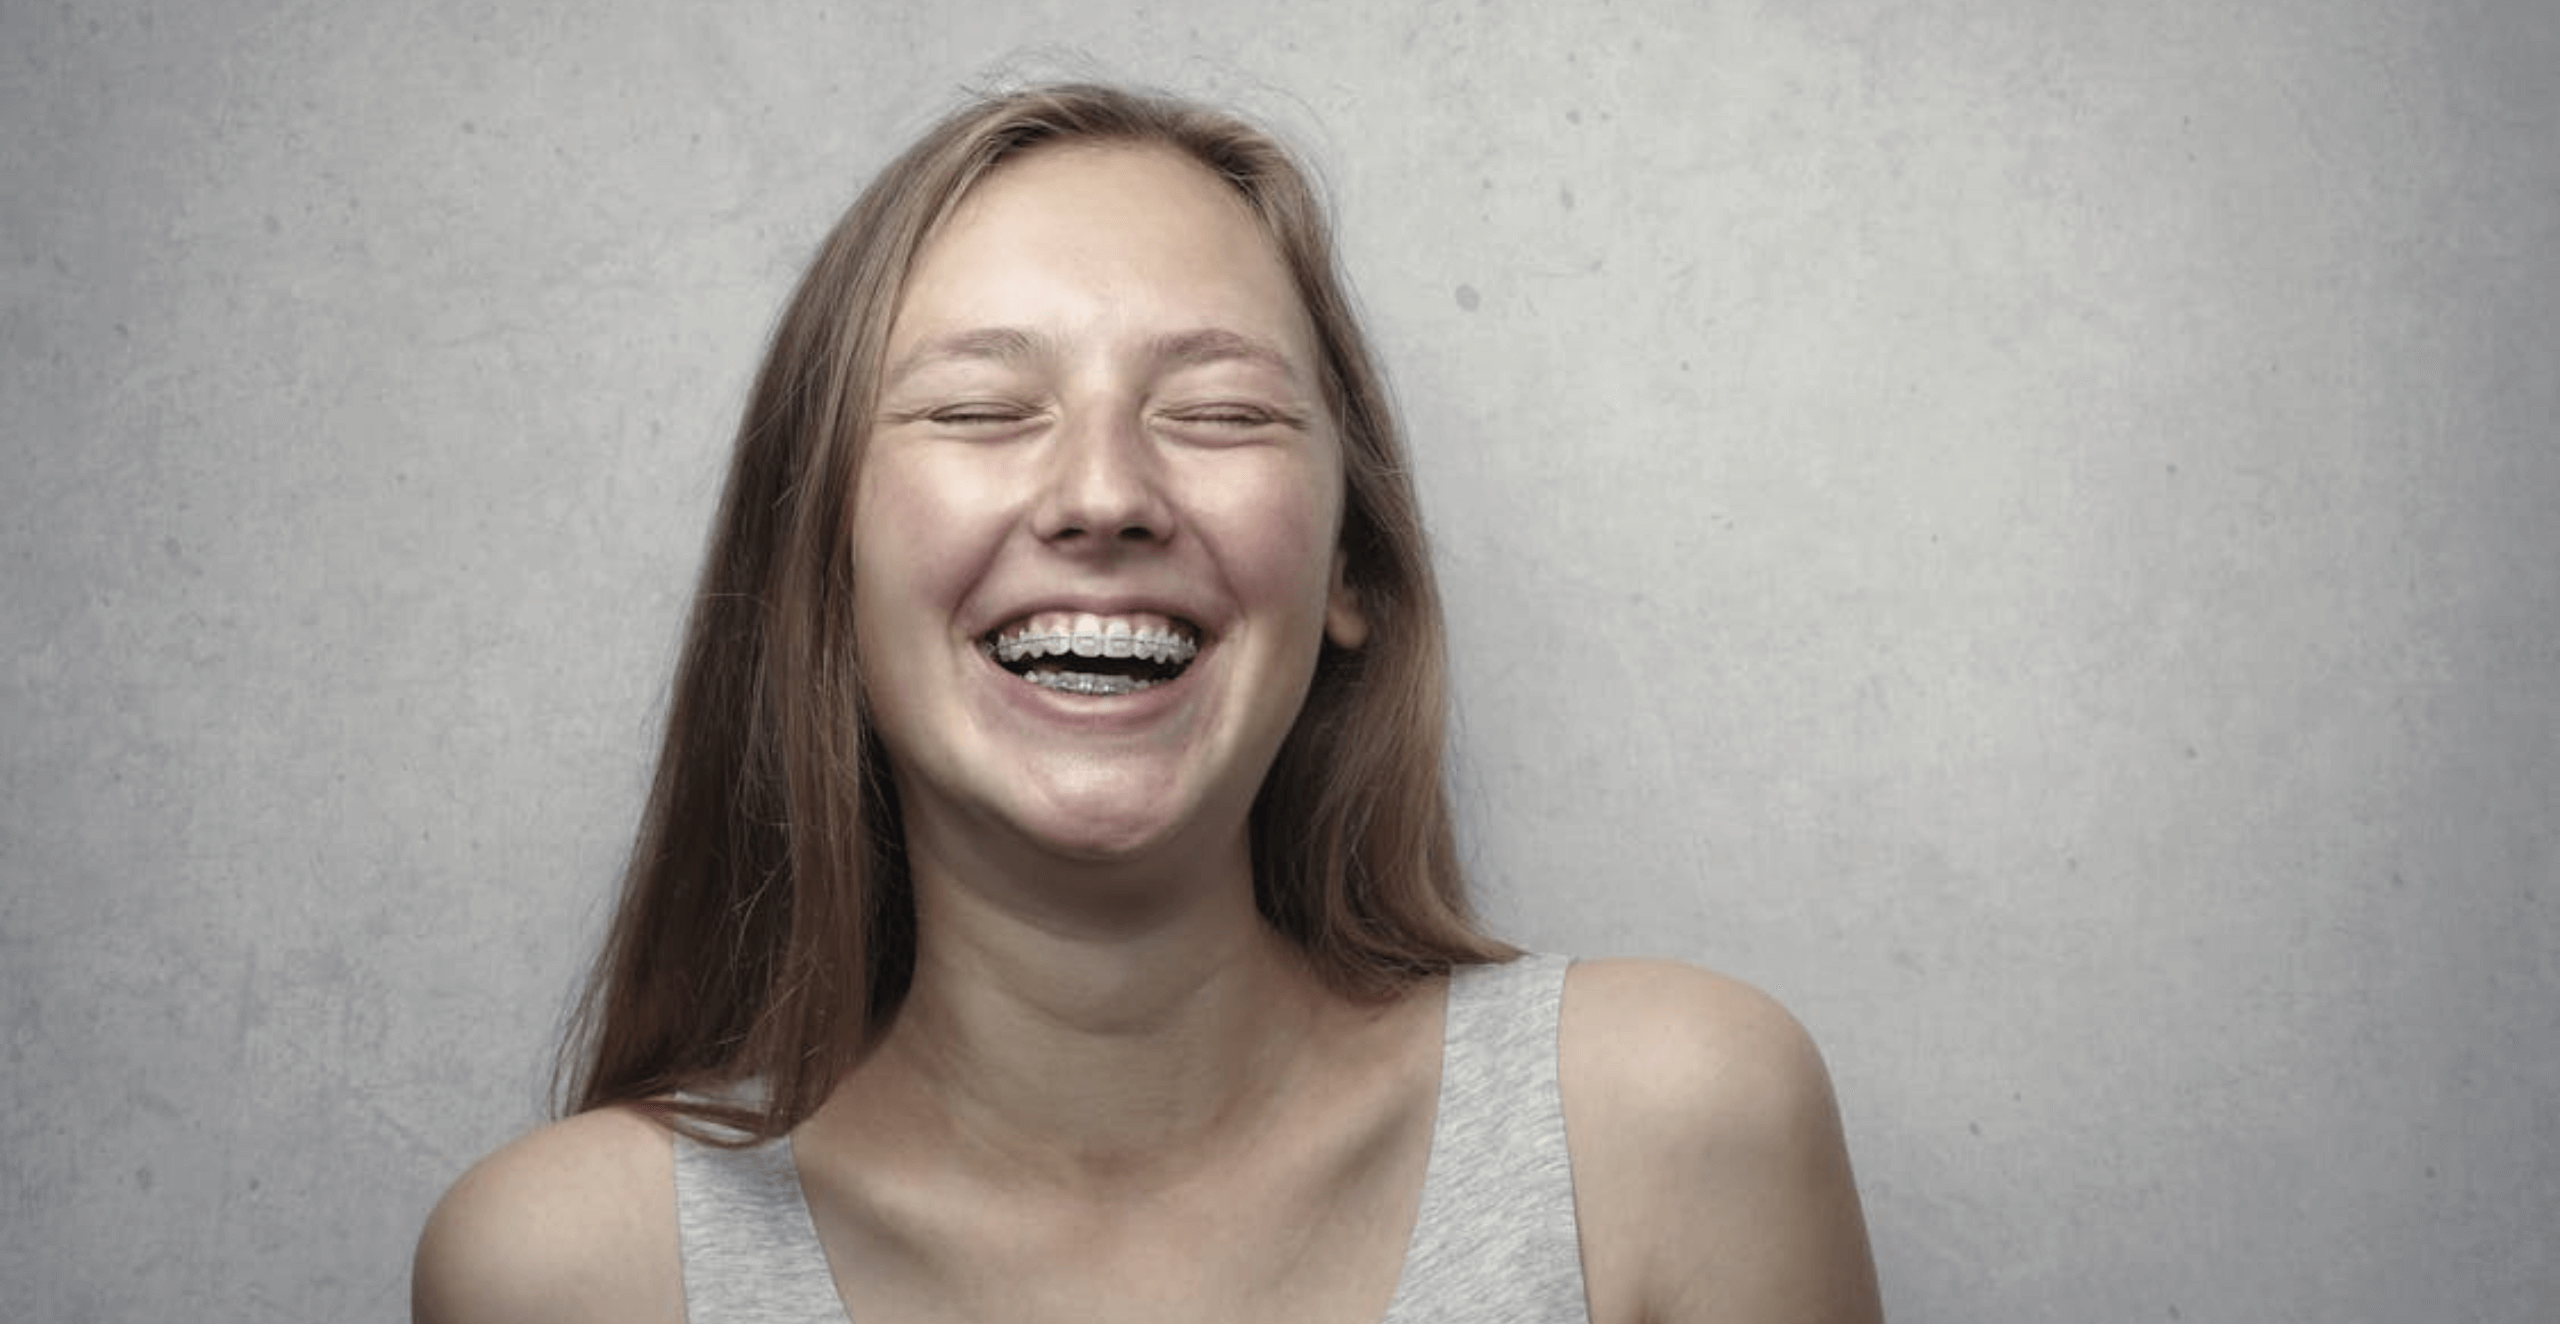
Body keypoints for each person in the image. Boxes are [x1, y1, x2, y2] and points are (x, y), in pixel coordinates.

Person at [412, 82, 1882, 1324]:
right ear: (819, 568)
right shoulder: (572, 1272)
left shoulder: (1674, 1130)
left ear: (1349, 564)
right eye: (982, 410)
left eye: (1220, 411)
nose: (1106, 494)